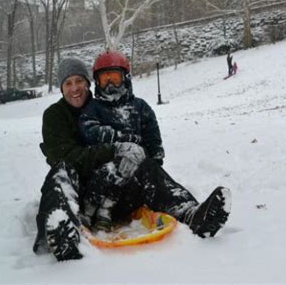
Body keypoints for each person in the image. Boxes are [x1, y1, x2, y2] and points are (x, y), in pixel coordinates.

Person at [33, 55, 231, 262]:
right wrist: (116, 149)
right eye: (68, 83)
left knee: (146, 166)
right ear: (61, 88)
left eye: (79, 81)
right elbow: (67, 156)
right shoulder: (55, 115)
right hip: (82, 194)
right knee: (61, 170)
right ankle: (63, 230)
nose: (75, 88)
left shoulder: (106, 104)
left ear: (89, 83)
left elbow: (147, 144)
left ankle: (191, 214)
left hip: (120, 190)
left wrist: (137, 157)